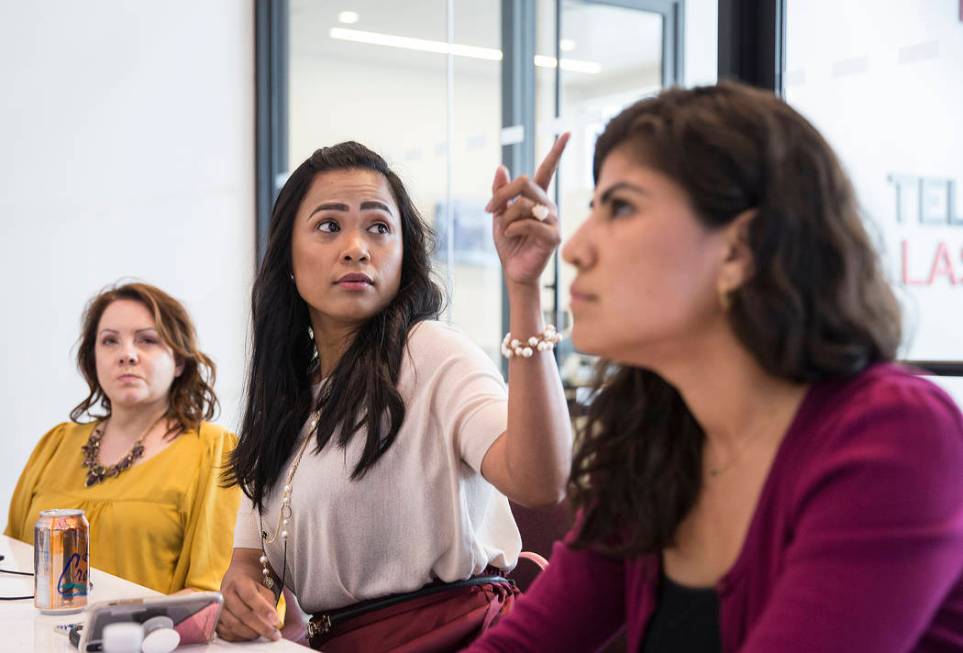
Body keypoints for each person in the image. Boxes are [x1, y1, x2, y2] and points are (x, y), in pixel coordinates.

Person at [469, 82, 963, 652]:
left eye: (621, 207)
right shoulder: (660, 441)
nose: (574, 246)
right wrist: (522, 290)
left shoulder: (893, 435)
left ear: (738, 250)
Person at [216, 140, 573, 651]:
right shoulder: (286, 395)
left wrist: (526, 292)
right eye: (329, 225)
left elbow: (541, 481)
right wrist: (241, 600)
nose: (357, 246)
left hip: (455, 639)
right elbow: (250, 565)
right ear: (288, 258)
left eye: (379, 227)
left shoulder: (431, 353)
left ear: (404, 255)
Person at [5, 282, 241, 594]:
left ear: (179, 362)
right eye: (109, 341)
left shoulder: (214, 451)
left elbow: (212, 593)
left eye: (147, 340)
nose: (127, 354)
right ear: (93, 359)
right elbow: (12, 569)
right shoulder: (54, 445)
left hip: (154, 641)